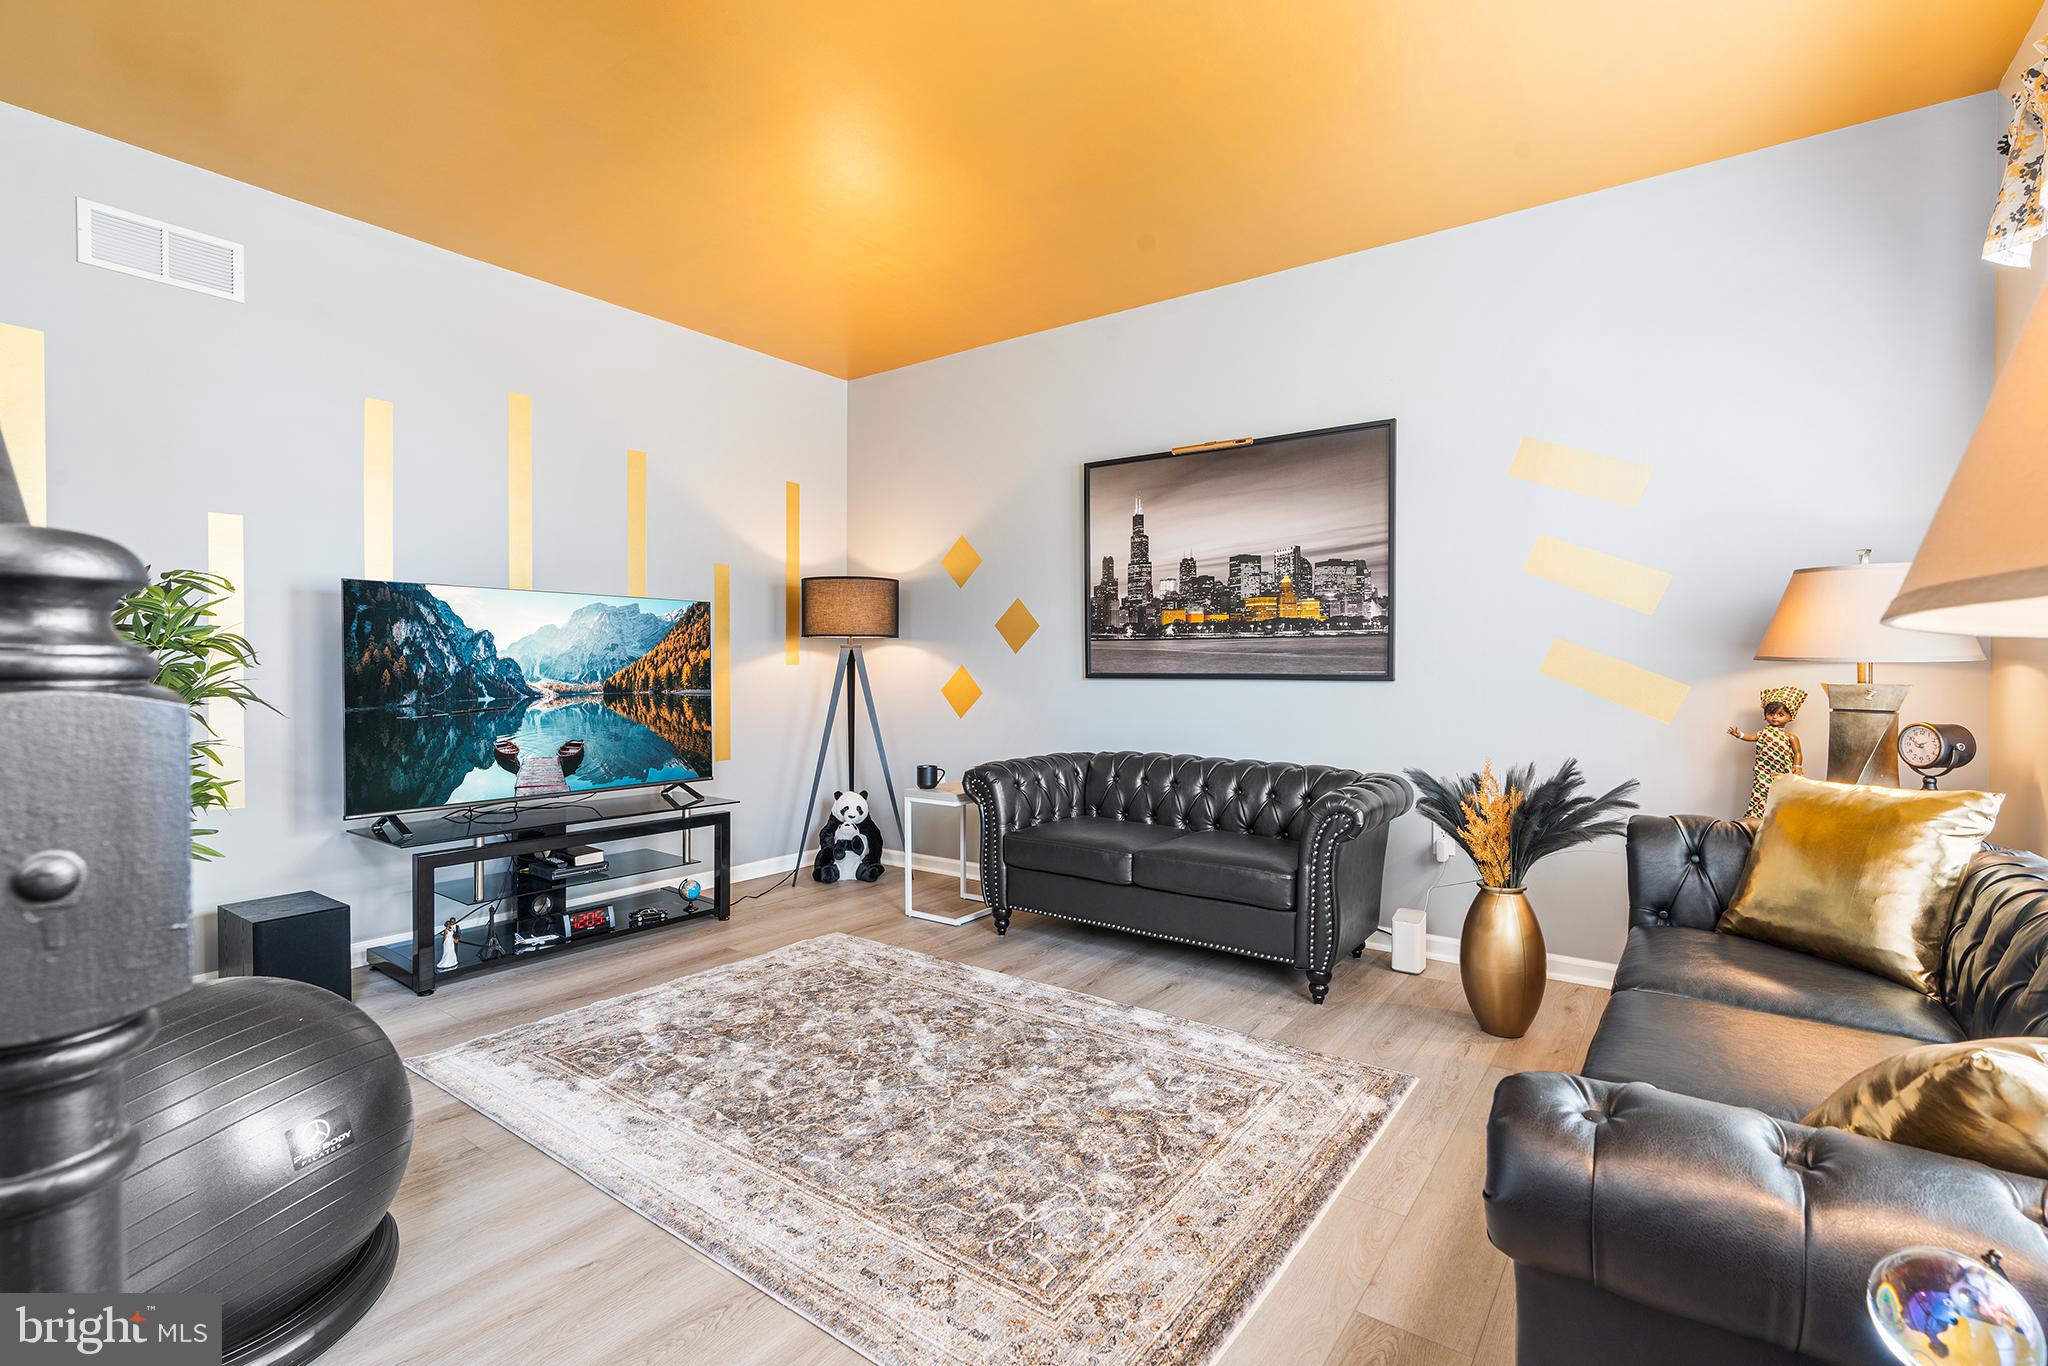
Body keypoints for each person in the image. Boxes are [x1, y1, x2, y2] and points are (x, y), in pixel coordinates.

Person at [1728, 685, 1806, 819]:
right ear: (1765, 716)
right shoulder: (1763, 733)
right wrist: (1739, 734)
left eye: (1780, 715)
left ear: (1790, 716)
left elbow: (1797, 753)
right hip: (1763, 770)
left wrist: (1797, 766)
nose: (1775, 717)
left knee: (1782, 793)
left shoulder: (1790, 736)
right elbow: (1752, 737)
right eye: (1771, 714)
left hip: (1782, 770)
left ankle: (1781, 816)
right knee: (1761, 791)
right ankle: (1757, 815)